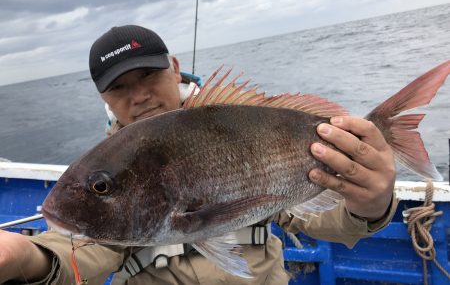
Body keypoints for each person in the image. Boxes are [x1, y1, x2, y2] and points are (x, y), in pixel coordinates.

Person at [0, 25, 397, 285]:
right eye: (119, 87)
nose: (139, 96)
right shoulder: (111, 166)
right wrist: (24, 257)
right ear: (104, 97)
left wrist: (372, 205)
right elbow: (77, 249)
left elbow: (329, 221)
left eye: (148, 76)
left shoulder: (237, 133)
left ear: (174, 68)